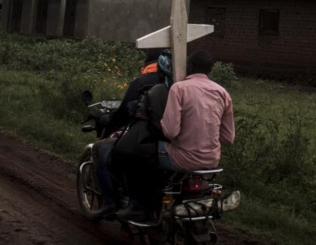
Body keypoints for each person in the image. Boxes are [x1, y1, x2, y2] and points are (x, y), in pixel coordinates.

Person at [92, 48, 163, 220]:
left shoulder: (142, 82)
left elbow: (123, 114)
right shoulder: (178, 82)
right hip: (173, 142)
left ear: (147, 61)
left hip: (146, 139)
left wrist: (107, 121)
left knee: (102, 151)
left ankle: (110, 204)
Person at [113, 51, 173, 221]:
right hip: (199, 150)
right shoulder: (186, 89)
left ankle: (136, 205)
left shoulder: (152, 88)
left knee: (122, 153)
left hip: (159, 141)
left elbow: (129, 113)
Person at [159, 50, 235, 172]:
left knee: (151, 148)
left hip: (181, 160)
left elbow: (171, 132)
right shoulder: (222, 93)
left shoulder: (178, 88)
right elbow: (228, 138)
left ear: (190, 66)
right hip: (212, 161)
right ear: (209, 70)